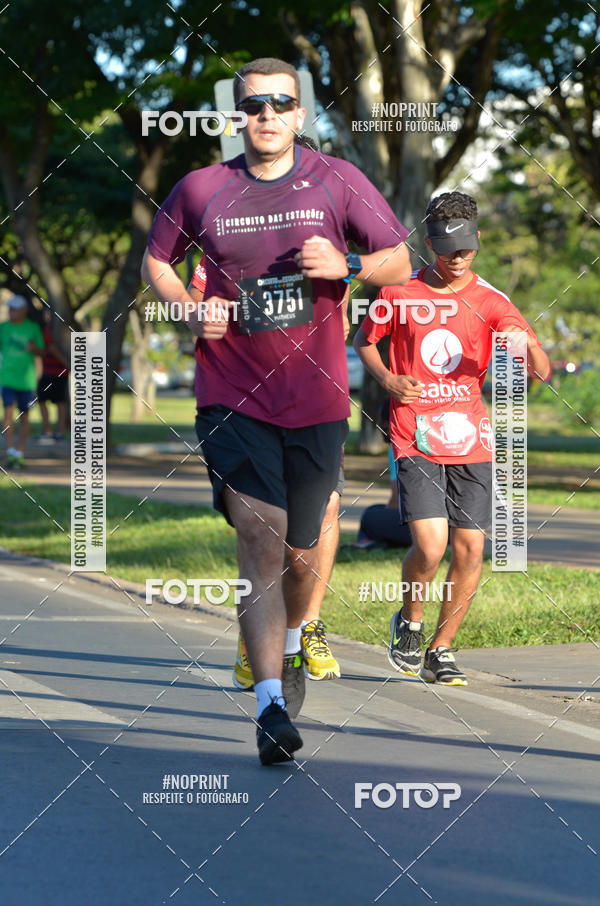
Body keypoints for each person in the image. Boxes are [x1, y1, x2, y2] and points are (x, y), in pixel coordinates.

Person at [142, 57, 411, 764]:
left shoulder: (337, 181)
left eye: (280, 104)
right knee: (262, 534)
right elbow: (160, 261)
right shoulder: (202, 188)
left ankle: (294, 641)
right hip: (231, 392)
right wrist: (187, 307)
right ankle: (267, 708)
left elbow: (401, 259)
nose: (266, 115)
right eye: (253, 104)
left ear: (299, 114)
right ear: (239, 115)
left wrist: (348, 267)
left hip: (316, 396)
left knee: (303, 547)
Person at [354, 191, 550, 685]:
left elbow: (540, 370)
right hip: (414, 431)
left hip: (472, 438)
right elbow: (364, 343)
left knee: (470, 549)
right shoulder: (399, 294)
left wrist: (527, 349)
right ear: (428, 244)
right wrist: (389, 380)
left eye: (465, 249)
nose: (457, 259)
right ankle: (411, 621)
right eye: (446, 249)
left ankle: (442, 649)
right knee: (431, 543)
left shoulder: (492, 302)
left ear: (478, 241)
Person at [188, 244, 344, 686]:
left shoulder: (321, 243)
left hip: (315, 408)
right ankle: (254, 634)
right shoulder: (220, 250)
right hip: (250, 410)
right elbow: (195, 309)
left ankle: (307, 625)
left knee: (326, 509)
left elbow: (344, 310)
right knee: (263, 527)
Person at [0, 295, 44, 469]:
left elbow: (42, 351)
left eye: (15, 309)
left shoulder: (33, 328)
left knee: (24, 417)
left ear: (24, 310)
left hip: (26, 381)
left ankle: (20, 453)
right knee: (8, 414)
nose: (11, 312)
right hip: (7, 378)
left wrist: (34, 349)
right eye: (10, 308)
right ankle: (10, 451)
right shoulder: (3, 328)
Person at [37, 309, 70, 443]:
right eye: (46, 313)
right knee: (43, 400)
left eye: (49, 313)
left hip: (58, 373)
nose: (47, 316)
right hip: (47, 371)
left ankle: (58, 433)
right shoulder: (46, 329)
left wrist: (67, 364)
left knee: (59, 402)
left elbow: (52, 349)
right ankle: (49, 431)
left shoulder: (57, 331)